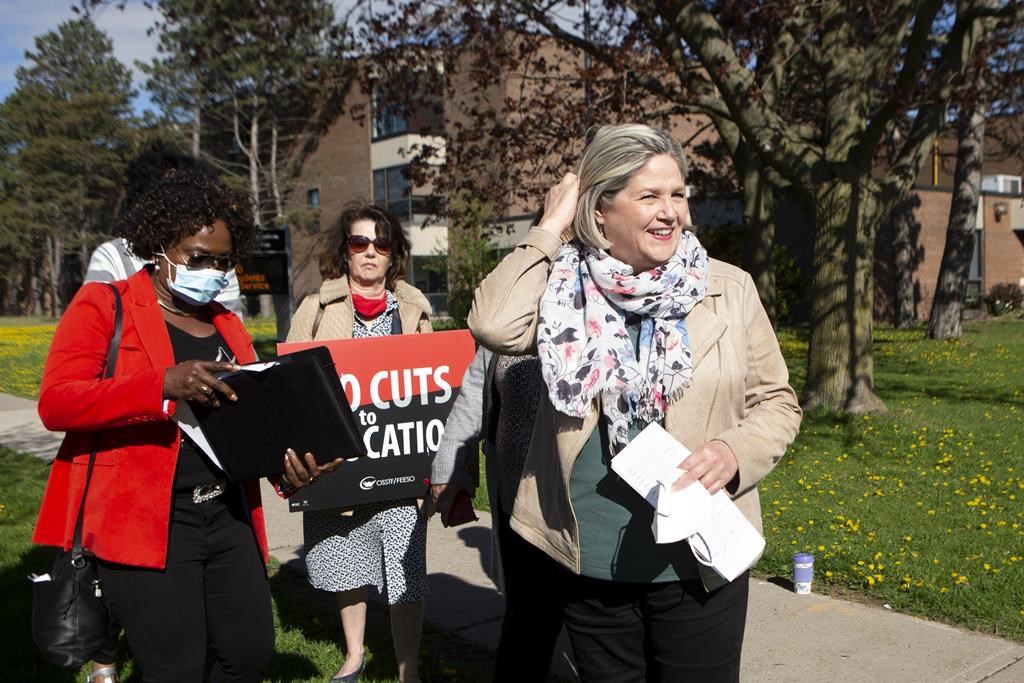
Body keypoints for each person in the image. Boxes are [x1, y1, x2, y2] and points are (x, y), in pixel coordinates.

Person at [468, 123, 802, 682]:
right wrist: (550, 226)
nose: (670, 211)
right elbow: (494, 322)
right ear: (600, 210)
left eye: (677, 194)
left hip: (699, 557)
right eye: (649, 196)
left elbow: (778, 402)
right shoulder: (563, 288)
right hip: (591, 556)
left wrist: (733, 450)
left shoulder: (727, 288)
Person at [33, 164, 337, 683]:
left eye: (223, 261)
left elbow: (249, 419)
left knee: (249, 655)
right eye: (198, 258)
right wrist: (160, 386)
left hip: (225, 517)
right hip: (144, 523)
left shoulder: (226, 321)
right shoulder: (106, 304)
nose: (213, 270)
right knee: (174, 667)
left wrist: (285, 470)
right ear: (160, 246)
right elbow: (56, 403)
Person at [287, 201, 432, 683]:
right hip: (337, 462)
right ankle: (355, 655)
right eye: (359, 242)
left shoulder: (415, 310)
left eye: (382, 243)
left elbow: (433, 386)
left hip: (398, 460)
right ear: (344, 252)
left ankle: (408, 668)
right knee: (346, 559)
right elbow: (291, 379)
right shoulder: (316, 307)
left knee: (405, 569)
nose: (371, 252)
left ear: (394, 255)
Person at [430, 346, 566, 681]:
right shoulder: (514, 303)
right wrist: (448, 460)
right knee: (526, 624)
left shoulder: (613, 297)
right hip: (519, 501)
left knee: (601, 635)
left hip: (586, 506)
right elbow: (477, 387)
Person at [85, 145, 244, 318]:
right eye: (198, 258)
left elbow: (231, 322)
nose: (213, 266)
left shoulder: (218, 259)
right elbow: (95, 318)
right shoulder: (113, 256)